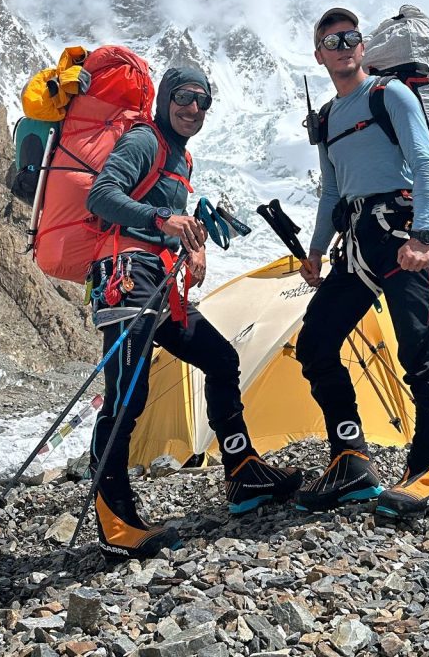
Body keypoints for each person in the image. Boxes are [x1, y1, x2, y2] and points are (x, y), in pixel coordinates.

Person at [86, 66, 302, 561]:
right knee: (128, 392)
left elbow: (160, 220)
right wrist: (165, 220)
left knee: (221, 360)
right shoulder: (145, 140)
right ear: (165, 98)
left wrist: (189, 246)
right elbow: (101, 195)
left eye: (204, 102)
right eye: (185, 98)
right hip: (126, 278)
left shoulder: (180, 157)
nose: (194, 109)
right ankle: (113, 511)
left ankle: (243, 472)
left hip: (159, 284)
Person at [295, 8, 429, 522]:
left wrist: (424, 236)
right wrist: (316, 251)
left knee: (419, 350)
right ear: (319, 56)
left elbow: (426, 162)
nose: (342, 46)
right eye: (331, 41)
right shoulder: (328, 118)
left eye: (350, 38)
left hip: (401, 229)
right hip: (357, 241)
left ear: (362, 47)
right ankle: (351, 460)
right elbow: (332, 191)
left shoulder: (389, 94)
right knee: (316, 342)